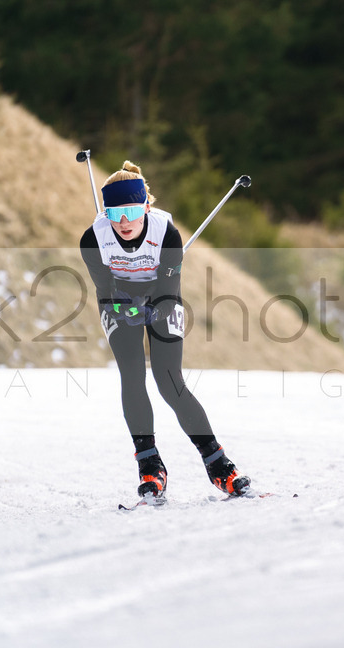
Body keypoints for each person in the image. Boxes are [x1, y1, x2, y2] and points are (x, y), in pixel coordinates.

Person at [80, 161, 250, 500]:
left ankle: (218, 464)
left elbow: (169, 287)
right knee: (131, 375)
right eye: (114, 214)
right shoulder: (92, 239)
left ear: (146, 205)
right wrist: (125, 306)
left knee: (169, 381)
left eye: (130, 210)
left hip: (162, 299)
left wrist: (152, 305)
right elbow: (105, 290)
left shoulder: (167, 233)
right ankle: (149, 466)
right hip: (119, 301)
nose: (123, 222)